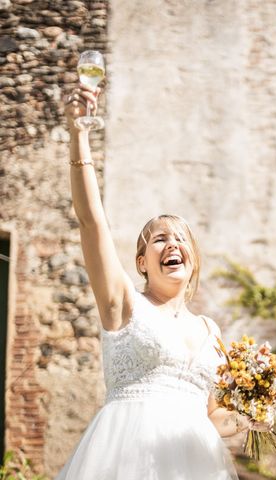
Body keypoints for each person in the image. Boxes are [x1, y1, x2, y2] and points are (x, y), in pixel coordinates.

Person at [57, 84, 245, 479]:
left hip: (194, 464)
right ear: (142, 262)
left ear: (192, 260)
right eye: (160, 239)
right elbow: (92, 221)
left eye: (180, 239)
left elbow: (214, 417)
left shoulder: (210, 329)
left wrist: (252, 416)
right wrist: (79, 134)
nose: (172, 244)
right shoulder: (123, 301)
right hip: (126, 455)